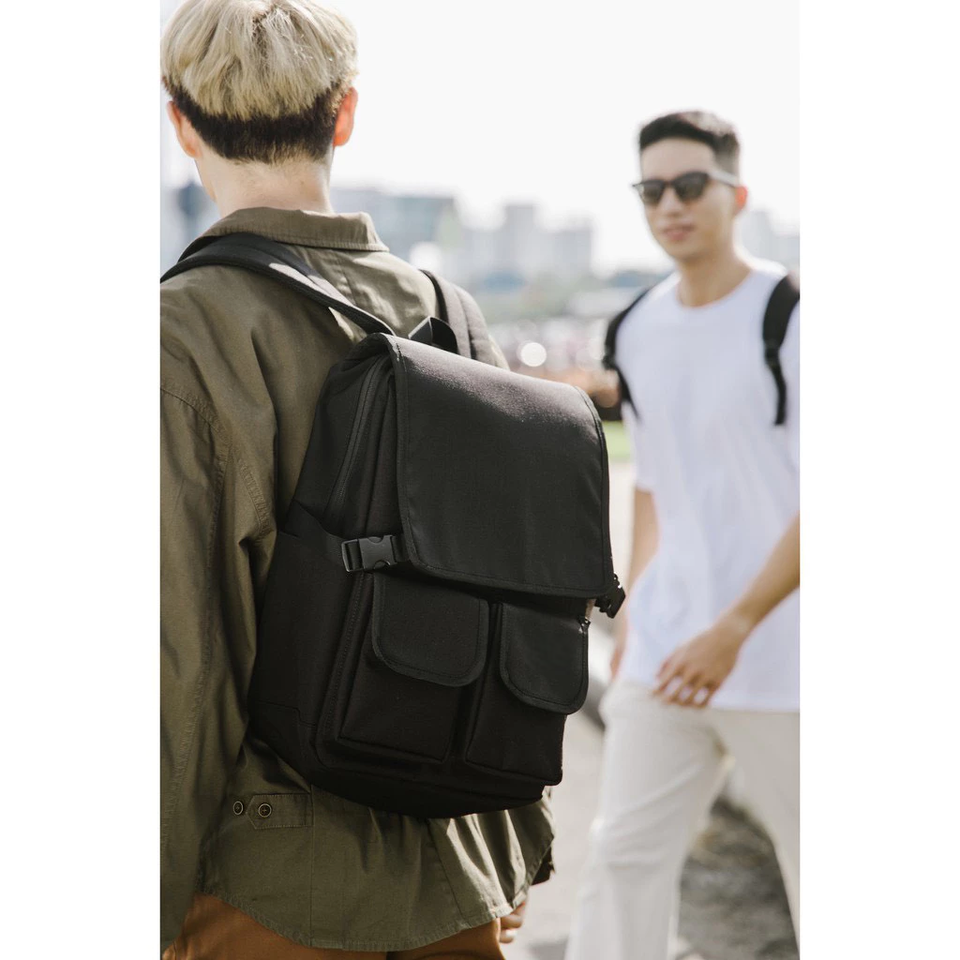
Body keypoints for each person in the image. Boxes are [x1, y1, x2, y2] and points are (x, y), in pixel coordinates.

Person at [159, 2, 550, 957]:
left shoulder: (181, 331)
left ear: (181, 126)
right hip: (458, 869)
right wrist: (513, 843)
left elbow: (184, 660)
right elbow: (524, 606)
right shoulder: (453, 315)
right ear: (345, 115)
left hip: (267, 887)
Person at [565, 111, 800, 960]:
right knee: (621, 863)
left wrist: (735, 628)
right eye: (652, 189)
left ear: (737, 194)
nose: (670, 205)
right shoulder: (635, 327)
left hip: (787, 659)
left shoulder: (793, 315)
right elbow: (654, 487)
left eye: (691, 185)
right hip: (668, 651)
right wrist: (634, 619)